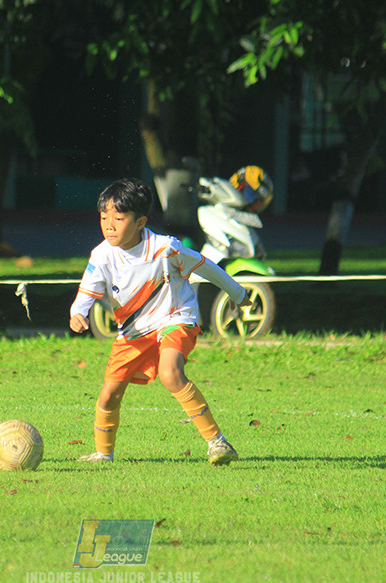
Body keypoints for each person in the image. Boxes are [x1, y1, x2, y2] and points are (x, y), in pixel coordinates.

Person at [69, 178, 252, 466]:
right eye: (104, 217)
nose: (109, 225)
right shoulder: (101, 255)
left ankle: (218, 443)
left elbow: (206, 267)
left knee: (170, 372)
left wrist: (238, 293)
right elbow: (86, 291)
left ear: (140, 221)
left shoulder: (166, 249)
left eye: (119, 218)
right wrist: (78, 313)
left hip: (175, 317)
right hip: (133, 331)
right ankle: (103, 454)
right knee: (108, 396)